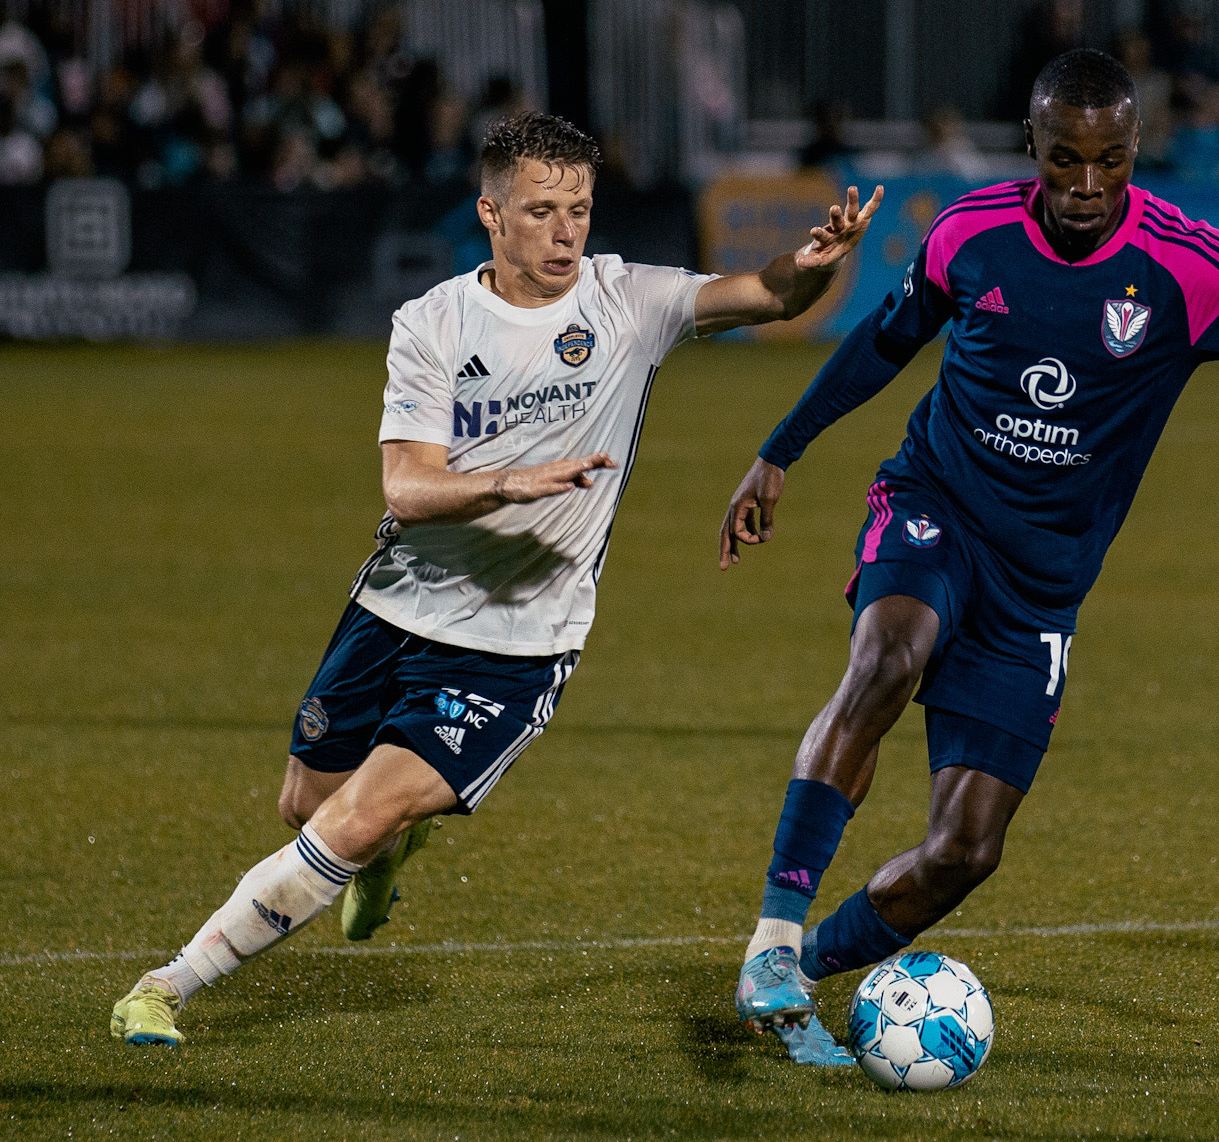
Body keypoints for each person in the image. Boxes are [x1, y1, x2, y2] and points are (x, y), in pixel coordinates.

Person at [719, 49, 1219, 1067]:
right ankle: (772, 938)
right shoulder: (970, 232)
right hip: (935, 505)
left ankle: (799, 981)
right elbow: (884, 342)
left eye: (1109, 161)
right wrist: (777, 453)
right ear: (1033, 147)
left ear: (1135, 149)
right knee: (888, 656)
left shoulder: (1187, 264)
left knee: (965, 850)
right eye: (1065, 160)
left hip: (1042, 584)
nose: (1087, 187)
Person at [106, 111, 881, 1047]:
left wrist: (818, 261)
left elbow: (766, 295)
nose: (566, 233)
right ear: (491, 213)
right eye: (543, 210)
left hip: (517, 644)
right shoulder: (431, 324)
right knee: (306, 807)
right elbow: (406, 483)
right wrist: (509, 480)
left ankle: (165, 985)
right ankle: (392, 857)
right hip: (396, 606)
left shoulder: (625, 302)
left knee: (351, 822)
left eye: (581, 211)